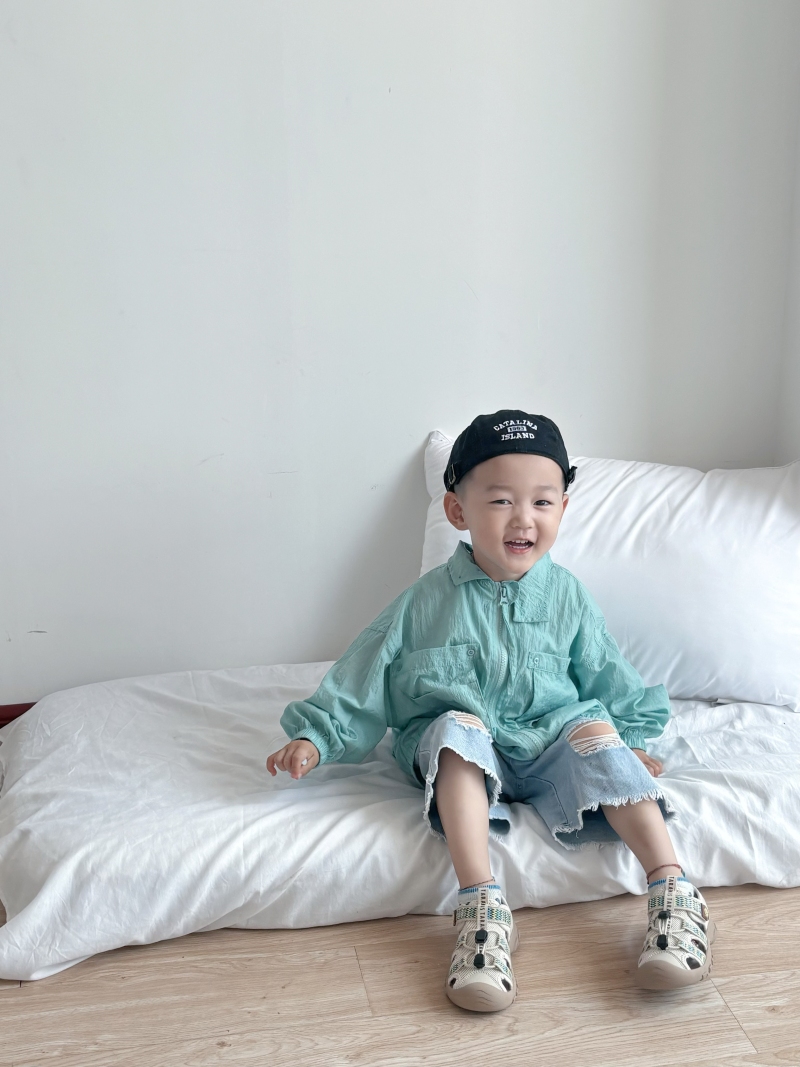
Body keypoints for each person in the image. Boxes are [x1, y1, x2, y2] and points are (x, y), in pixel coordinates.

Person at [266, 410, 715, 1012]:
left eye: (543, 502)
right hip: (469, 743)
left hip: (551, 736)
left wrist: (629, 738)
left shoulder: (567, 595)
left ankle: (673, 889)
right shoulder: (425, 601)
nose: (524, 518)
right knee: (455, 733)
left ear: (562, 509)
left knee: (596, 733)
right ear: (458, 511)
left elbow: (607, 672)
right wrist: (318, 736)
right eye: (501, 500)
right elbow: (365, 670)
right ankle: (481, 904)